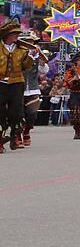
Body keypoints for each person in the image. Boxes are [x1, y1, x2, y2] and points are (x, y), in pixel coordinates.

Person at [0, 22, 36, 153]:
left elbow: (26, 66)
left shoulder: (22, 50)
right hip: (1, 84)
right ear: (7, 35)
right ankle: (0, 139)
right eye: (15, 34)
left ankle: (15, 136)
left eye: (17, 34)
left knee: (16, 112)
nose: (17, 36)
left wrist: (31, 57)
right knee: (0, 113)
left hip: (16, 84)